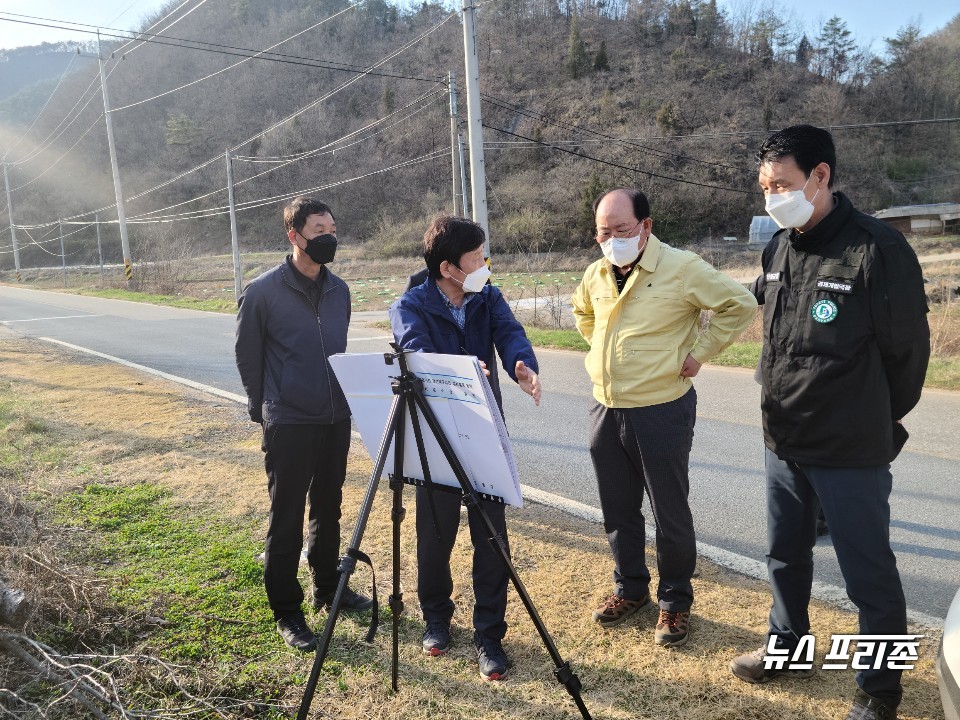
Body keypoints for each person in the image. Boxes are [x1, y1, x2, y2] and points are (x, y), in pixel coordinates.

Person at [728, 125, 930, 720]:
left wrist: (869, 418)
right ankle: (788, 648)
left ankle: (880, 687)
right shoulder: (781, 244)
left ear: (821, 176)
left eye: (783, 185)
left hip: (850, 445)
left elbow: (907, 360)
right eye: (765, 187)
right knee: (784, 554)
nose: (772, 198)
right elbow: (776, 339)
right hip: (783, 436)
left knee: (867, 569)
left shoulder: (878, 251)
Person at [571, 188, 757, 647]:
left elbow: (741, 303)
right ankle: (629, 589)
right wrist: (602, 354)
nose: (611, 239)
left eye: (621, 230)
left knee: (669, 511)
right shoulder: (596, 272)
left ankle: (674, 602)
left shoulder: (681, 267)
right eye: (602, 232)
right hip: (605, 404)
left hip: (661, 408)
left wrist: (700, 353)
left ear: (646, 227)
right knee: (618, 509)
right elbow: (583, 313)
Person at [389, 215, 541, 681]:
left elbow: (510, 331)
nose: (484, 265)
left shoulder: (487, 296)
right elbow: (415, 351)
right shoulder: (410, 305)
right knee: (434, 537)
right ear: (449, 268)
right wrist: (458, 367)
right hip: (433, 434)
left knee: (492, 537)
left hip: (483, 430)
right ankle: (436, 621)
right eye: (476, 258)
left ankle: (489, 634)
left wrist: (521, 363)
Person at [235, 196, 372, 653]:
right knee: (287, 516)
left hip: (335, 417)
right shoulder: (262, 292)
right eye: (318, 230)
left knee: (328, 507)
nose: (328, 236)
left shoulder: (340, 291)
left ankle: (327, 587)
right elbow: (248, 356)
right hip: (289, 420)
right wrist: (264, 409)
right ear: (294, 236)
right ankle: (287, 611)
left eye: (332, 228)